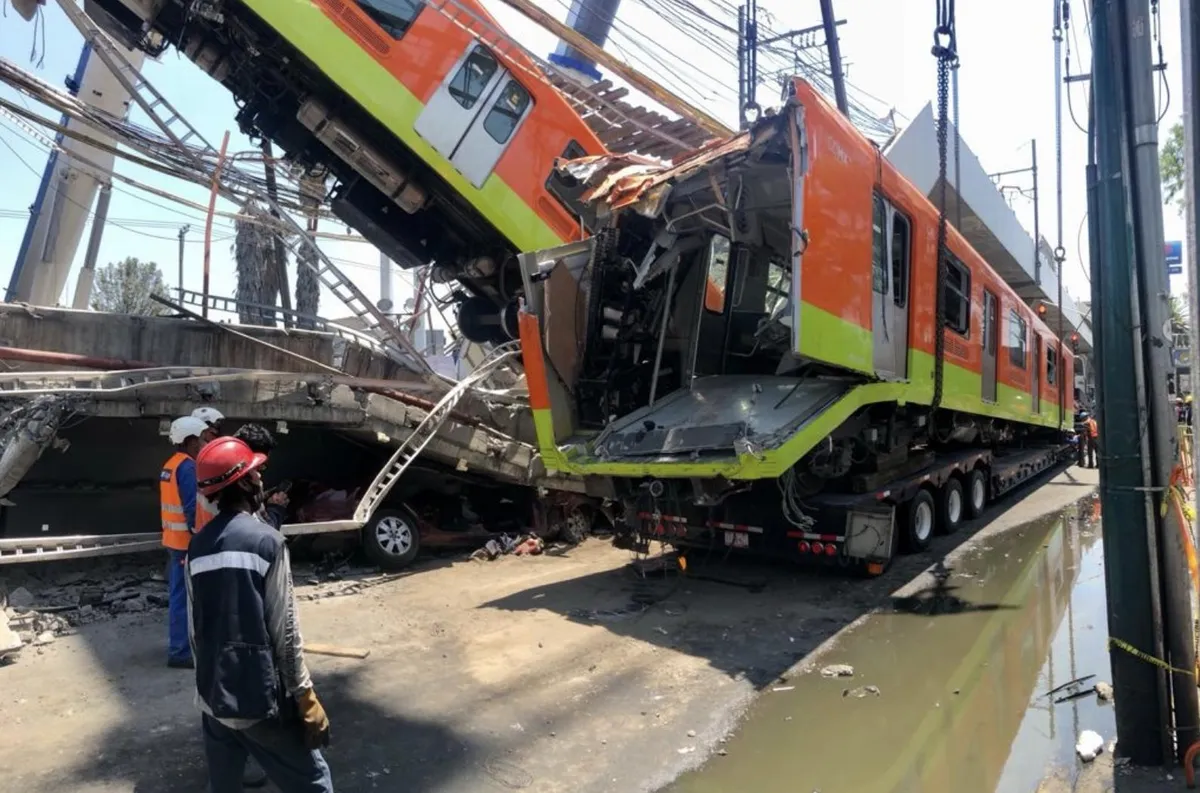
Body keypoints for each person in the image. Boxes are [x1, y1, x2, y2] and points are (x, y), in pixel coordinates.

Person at [188, 436, 333, 793]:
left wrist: (208, 682)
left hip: (212, 697)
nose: (261, 479)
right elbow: (284, 630)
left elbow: (196, 631)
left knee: (224, 785)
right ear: (247, 483)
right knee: (315, 782)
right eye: (256, 474)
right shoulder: (267, 542)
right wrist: (304, 694)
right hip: (256, 697)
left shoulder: (198, 546)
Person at [160, 415, 210, 669]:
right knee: (183, 597)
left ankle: (183, 645)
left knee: (179, 595)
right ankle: (180, 651)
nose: (203, 443)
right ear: (189, 441)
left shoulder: (170, 464)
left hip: (173, 539)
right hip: (185, 543)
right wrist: (202, 536)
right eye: (200, 438)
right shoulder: (188, 467)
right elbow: (192, 508)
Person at [234, 423, 289, 530]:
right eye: (259, 466)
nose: (259, 475)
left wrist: (262, 495)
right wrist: (276, 508)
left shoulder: (218, 481)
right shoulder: (240, 502)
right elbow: (265, 532)